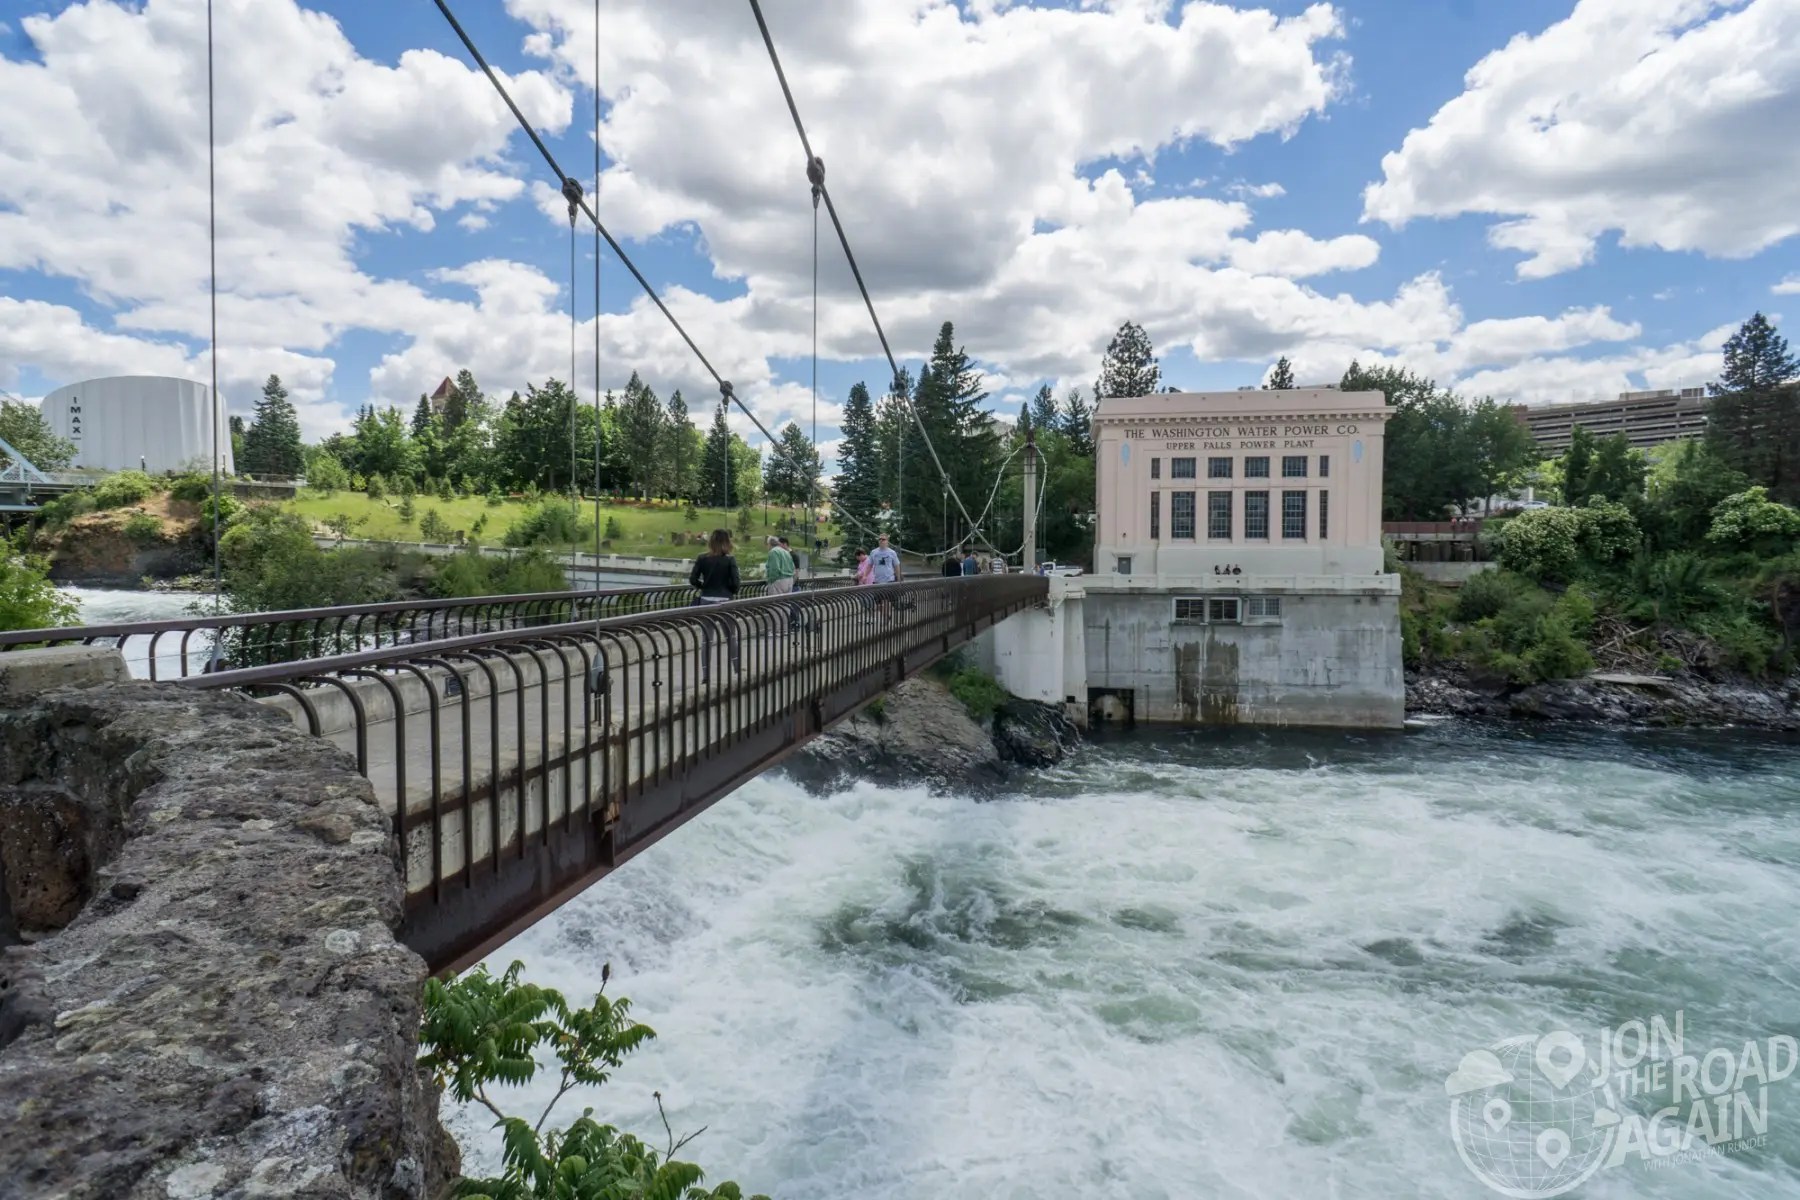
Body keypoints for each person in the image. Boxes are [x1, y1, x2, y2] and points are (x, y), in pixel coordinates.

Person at [689, 528, 740, 682]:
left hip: (706, 600)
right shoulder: (730, 560)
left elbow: (693, 579)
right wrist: (729, 590)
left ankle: (706, 676)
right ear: (727, 542)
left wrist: (704, 587)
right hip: (725, 601)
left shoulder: (702, 558)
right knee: (731, 637)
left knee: (707, 640)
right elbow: (736, 584)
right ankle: (737, 670)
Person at [868, 533, 901, 622]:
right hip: (877, 581)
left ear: (887, 541)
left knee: (885, 601)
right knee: (878, 604)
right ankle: (886, 616)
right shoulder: (873, 552)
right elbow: (869, 565)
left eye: (883, 539)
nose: (881, 541)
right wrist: (864, 575)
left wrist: (898, 578)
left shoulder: (892, 552)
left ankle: (885, 619)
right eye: (880, 539)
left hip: (888, 580)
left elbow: (896, 566)